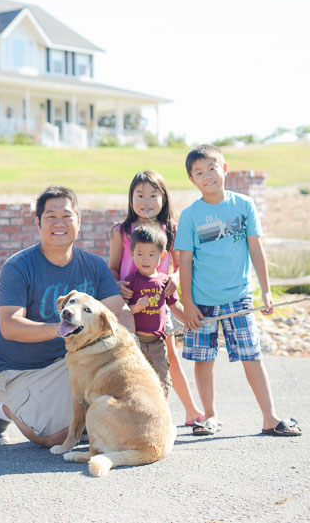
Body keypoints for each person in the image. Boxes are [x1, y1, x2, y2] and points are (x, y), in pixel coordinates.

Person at [0, 186, 134, 447]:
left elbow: (119, 311)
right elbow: (9, 326)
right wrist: (64, 328)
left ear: (79, 221)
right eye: (51, 217)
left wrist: (130, 348)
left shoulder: (94, 265)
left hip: (72, 360)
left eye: (67, 216)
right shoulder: (18, 267)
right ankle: (0, 407)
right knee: (57, 437)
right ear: (38, 222)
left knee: (97, 417)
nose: (59, 223)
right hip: (19, 369)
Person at [175, 144, 301, 437]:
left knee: (251, 355)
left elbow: (255, 249)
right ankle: (209, 416)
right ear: (192, 180)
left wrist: (266, 291)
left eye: (212, 168)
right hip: (202, 302)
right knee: (204, 360)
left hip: (239, 297)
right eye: (199, 172)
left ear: (225, 169)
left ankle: (270, 417)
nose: (207, 176)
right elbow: (185, 262)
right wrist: (189, 304)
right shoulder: (191, 215)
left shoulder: (243, 205)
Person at [108, 170, 204, 426]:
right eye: (139, 195)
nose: (146, 200)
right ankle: (130, 417)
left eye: (153, 195)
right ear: (130, 199)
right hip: (130, 308)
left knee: (168, 357)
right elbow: (113, 268)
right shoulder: (122, 231)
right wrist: (117, 285)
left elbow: (182, 263)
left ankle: (192, 411)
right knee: (130, 361)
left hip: (159, 306)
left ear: (164, 198)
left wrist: (175, 276)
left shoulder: (171, 229)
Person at [123, 224, 188, 395]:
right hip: (136, 343)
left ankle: (162, 418)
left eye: (152, 255)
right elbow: (122, 311)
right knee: (137, 384)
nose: (145, 260)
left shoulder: (164, 282)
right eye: (140, 254)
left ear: (163, 255)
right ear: (131, 254)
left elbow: (175, 306)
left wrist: (189, 320)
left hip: (158, 344)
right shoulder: (131, 281)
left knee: (162, 383)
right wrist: (135, 308)